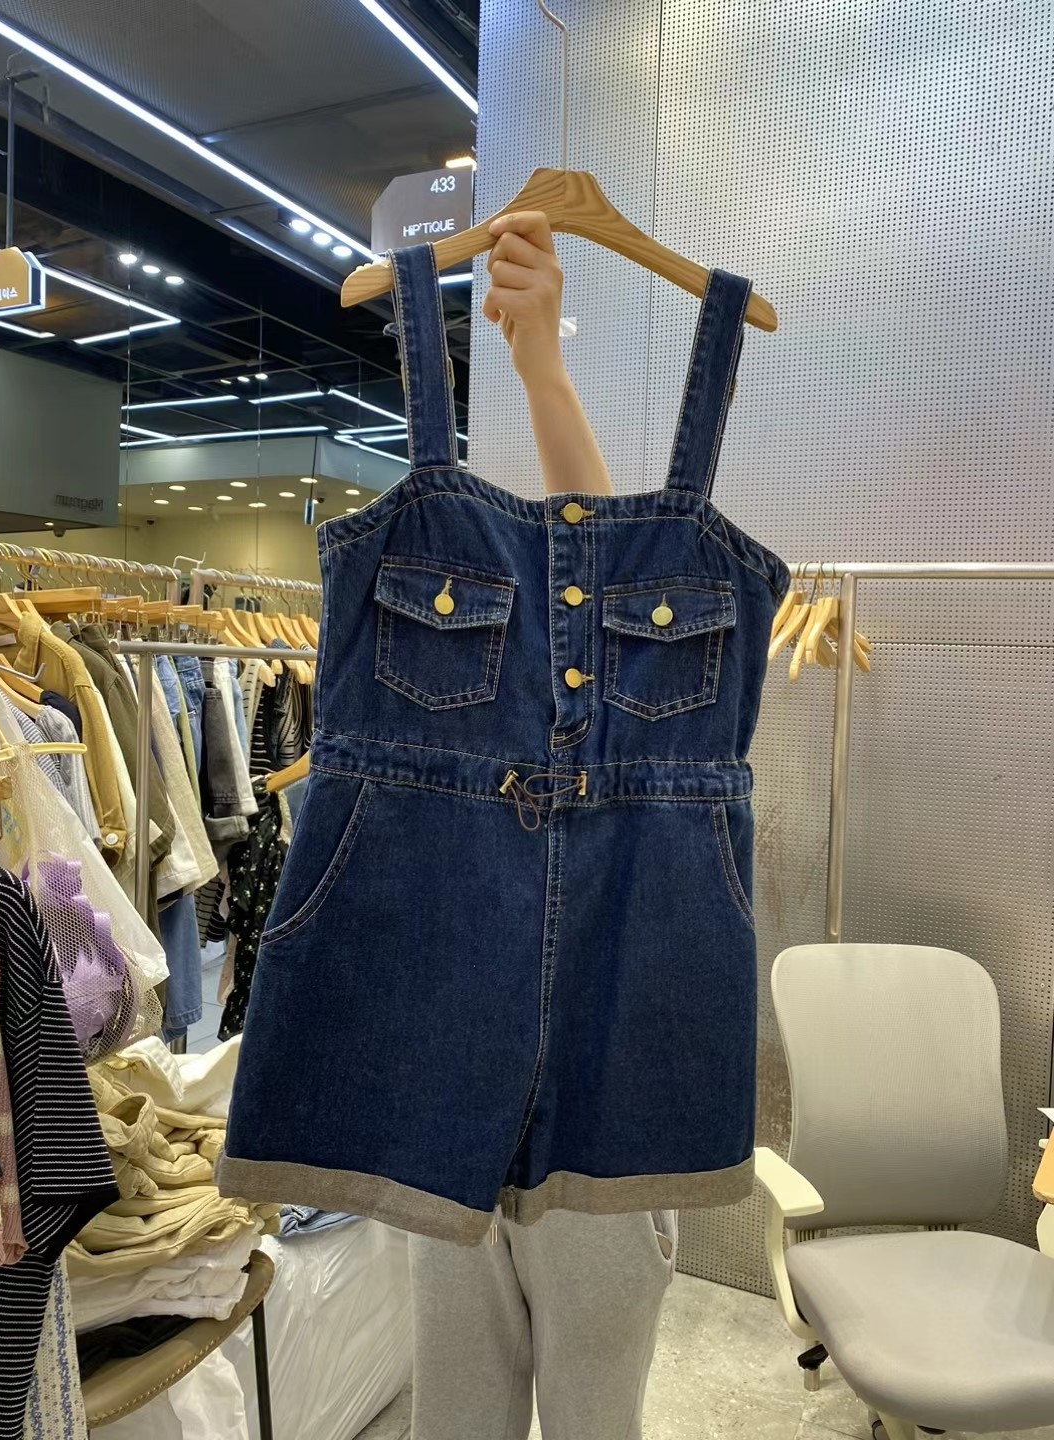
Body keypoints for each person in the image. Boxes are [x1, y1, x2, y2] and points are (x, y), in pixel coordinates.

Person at [408, 210, 677, 1440]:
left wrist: (541, 375)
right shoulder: (438, 709)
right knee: (453, 1418)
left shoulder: (640, 725)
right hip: (453, 1099)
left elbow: (613, 597)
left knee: (591, 1420)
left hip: (603, 1117)